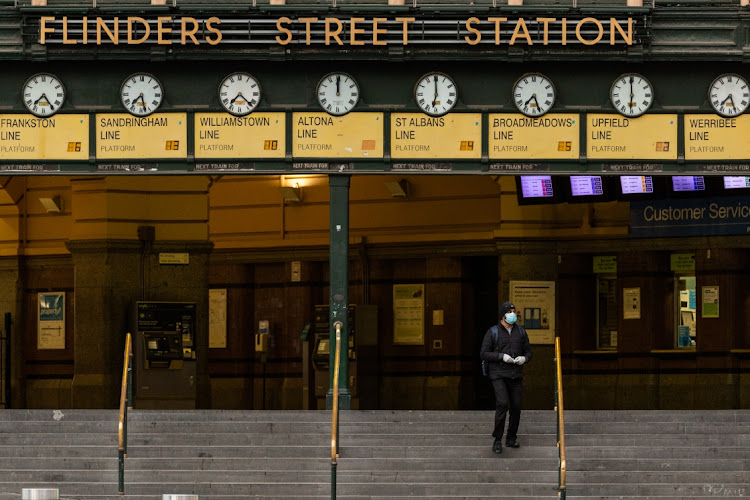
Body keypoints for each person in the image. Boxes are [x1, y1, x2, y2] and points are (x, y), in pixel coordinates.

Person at [480, 301, 532, 454]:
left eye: (514, 311)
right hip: (498, 374)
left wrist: (525, 358)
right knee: (502, 403)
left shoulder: (521, 332)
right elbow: (483, 353)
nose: (513, 314)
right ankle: (497, 439)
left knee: (516, 406)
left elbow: (529, 351)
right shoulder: (493, 332)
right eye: (510, 312)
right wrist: (501, 356)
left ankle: (511, 437)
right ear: (503, 315)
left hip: (515, 375)